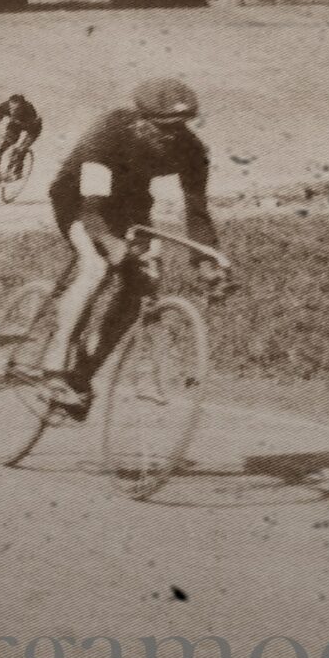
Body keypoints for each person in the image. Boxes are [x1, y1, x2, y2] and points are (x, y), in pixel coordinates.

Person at [38, 77, 227, 420]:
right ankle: (54, 366)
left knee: (142, 285)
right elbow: (92, 211)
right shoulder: (111, 130)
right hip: (79, 199)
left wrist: (205, 260)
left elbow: (197, 212)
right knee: (96, 266)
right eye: (163, 127)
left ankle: (82, 376)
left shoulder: (193, 150)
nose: (172, 136)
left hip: (132, 204)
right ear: (140, 119)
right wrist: (109, 241)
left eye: (181, 126)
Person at [0, 93, 44, 172]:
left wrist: (19, 147)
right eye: (11, 109)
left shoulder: (29, 110)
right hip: (15, 124)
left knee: (21, 150)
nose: (13, 112)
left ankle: (18, 171)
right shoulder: (4, 106)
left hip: (33, 128)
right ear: (9, 104)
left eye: (17, 109)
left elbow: (32, 128)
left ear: (22, 107)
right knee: (1, 148)